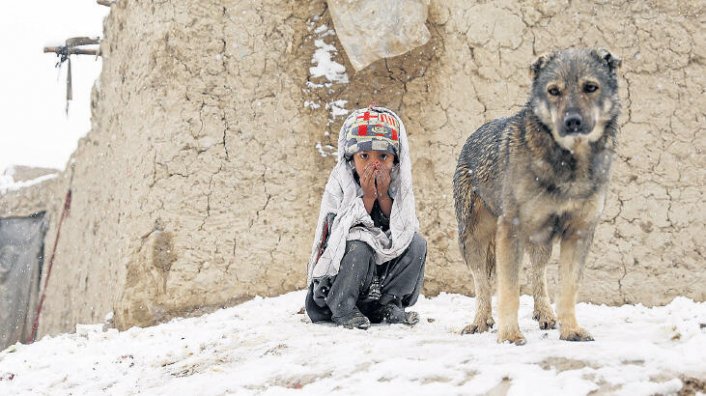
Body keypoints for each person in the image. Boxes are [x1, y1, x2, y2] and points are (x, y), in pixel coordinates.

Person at [305, 106, 427, 330]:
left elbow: (402, 228)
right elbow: (336, 235)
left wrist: (383, 196)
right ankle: (342, 307)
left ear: (396, 160)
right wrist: (367, 197)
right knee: (359, 244)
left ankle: (387, 304)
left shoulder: (398, 185)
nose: (375, 164)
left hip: (379, 281)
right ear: (350, 157)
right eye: (364, 156)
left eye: (383, 156)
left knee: (416, 242)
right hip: (341, 279)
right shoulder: (341, 182)